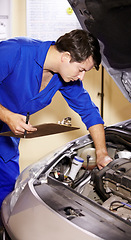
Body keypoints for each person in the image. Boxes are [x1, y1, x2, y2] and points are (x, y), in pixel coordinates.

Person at [0, 29, 112, 208]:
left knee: (7, 196)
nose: (81, 76)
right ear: (66, 57)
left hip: (6, 140)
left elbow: (89, 111)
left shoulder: (65, 77)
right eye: (81, 69)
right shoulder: (15, 51)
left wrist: (102, 153)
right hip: (6, 123)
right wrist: (7, 115)